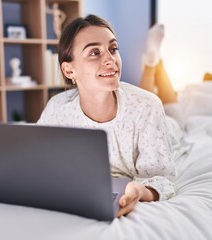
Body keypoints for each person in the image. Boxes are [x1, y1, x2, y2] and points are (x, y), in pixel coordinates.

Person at [37, 14, 177, 218]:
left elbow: (162, 177)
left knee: (172, 109)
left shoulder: (148, 106)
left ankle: (152, 62)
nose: (111, 60)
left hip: (169, 130)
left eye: (113, 49)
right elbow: (36, 159)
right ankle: (153, 61)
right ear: (69, 70)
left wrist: (141, 190)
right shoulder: (57, 108)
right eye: (95, 52)